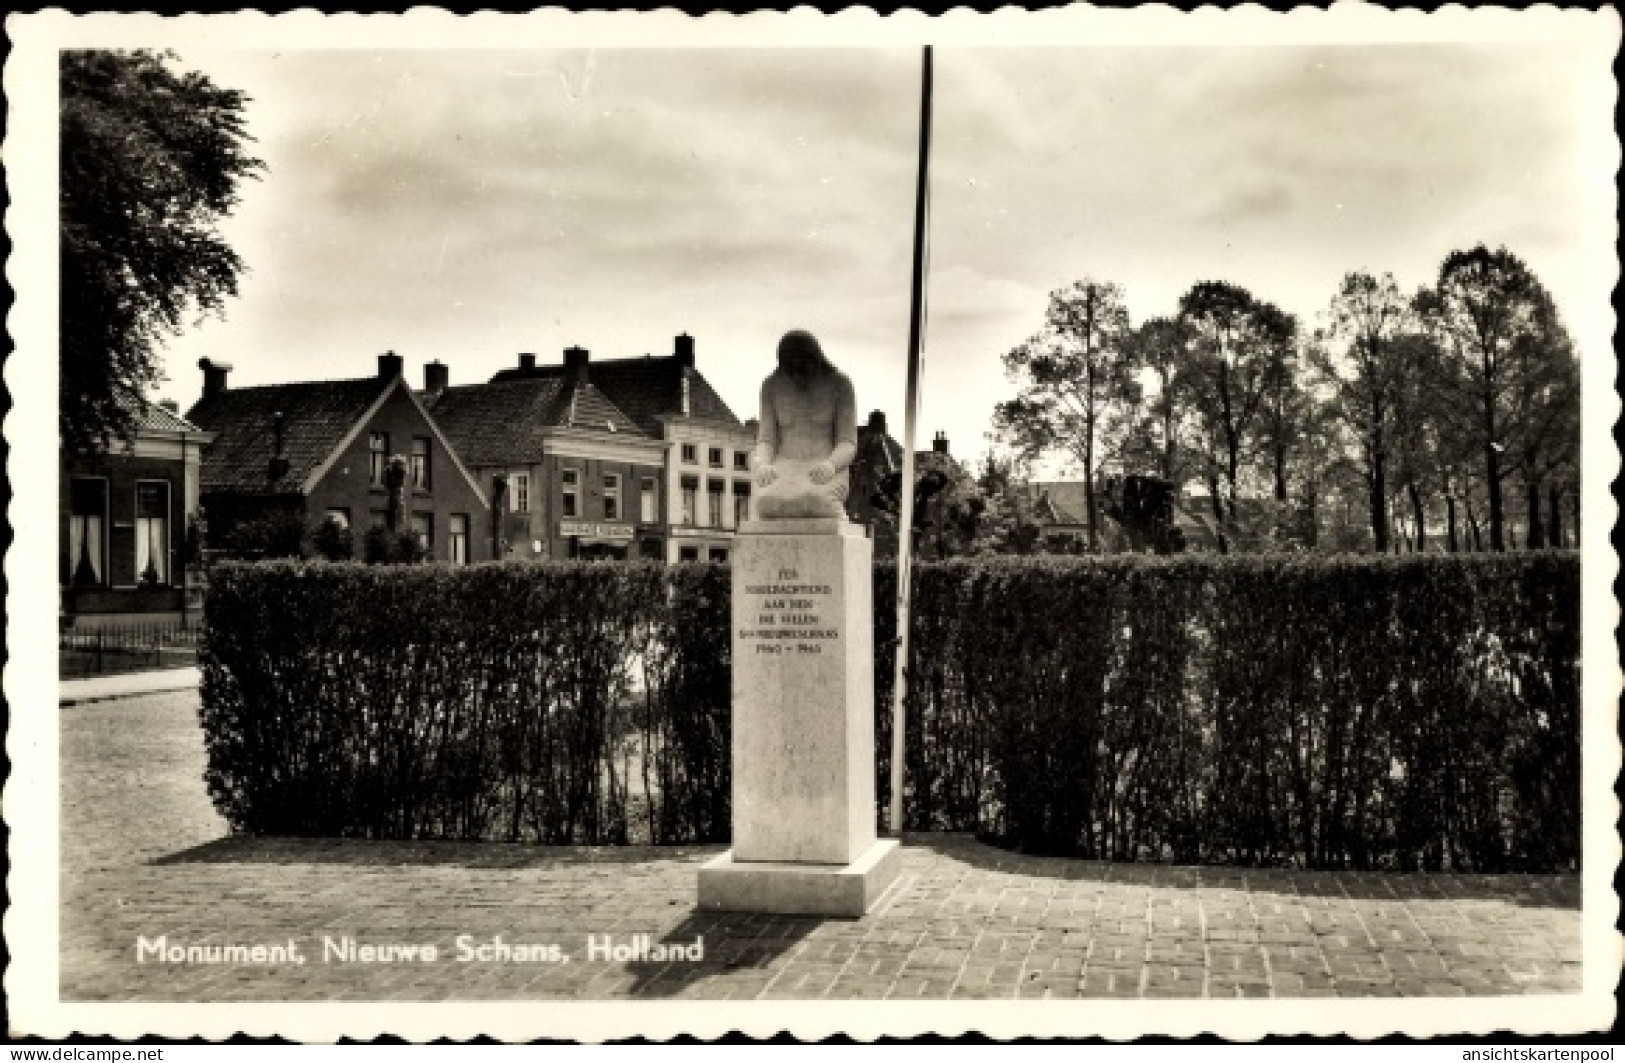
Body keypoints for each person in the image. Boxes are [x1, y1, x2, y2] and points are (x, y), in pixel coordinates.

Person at [752, 330, 857, 520]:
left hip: (823, 465)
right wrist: (762, 465)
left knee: (818, 503)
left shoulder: (840, 384)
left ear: (815, 358)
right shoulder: (771, 386)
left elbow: (848, 442)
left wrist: (831, 465)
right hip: (784, 466)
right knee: (766, 504)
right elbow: (766, 440)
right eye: (789, 367)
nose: (796, 373)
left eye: (802, 366)